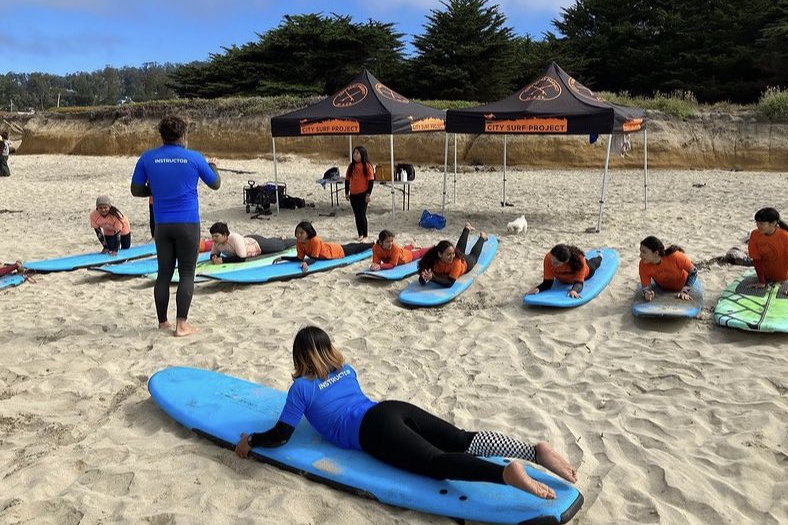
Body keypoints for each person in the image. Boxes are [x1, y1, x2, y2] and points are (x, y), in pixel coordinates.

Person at [234, 326, 577, 499]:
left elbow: (281, 435)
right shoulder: (346, 368)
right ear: (328, 348)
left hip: (372, 431)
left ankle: (505, 474)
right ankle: (533, 451)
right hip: (391, 408)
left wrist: (250, 441)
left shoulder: (301, 389)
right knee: (459, 437)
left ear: (299, 357)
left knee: (435, 462)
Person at [131, 115, 221, 337]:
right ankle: (182, 325)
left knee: (164, 273)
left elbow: (136, 190)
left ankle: (163, 322)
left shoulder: (148, 157)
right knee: (187, 272)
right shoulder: (194, 157)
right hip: (188, 223)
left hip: (162, 224)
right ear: (184, 135)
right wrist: (213, 166)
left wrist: (156, 190)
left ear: (162, 135)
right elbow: (215, 184)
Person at [748, 207, 788, 298]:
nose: (758, 225)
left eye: (761, 223)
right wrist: (761, 281)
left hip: (783, 277)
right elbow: (756, 259)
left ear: (773, 223)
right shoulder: (755, 235)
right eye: (756, 222)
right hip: (765, 275)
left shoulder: (787, 238)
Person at [418, 223, 488, 288]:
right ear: (440, 254)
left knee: (473, 256)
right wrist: (424, 277)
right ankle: (467, 228)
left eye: (452, 253)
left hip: (466, 264)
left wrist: (433, 278)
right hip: (456, 256)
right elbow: (422, 279)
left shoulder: (456, 261)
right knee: (459, 250)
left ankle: (482, 237)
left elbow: (449, 283)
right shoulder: (432, 260)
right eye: (449, 254)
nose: (452, 256)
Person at [289, 221, 372, 273]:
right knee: (352, 246)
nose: (298, 235)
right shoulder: (299, 242)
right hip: (329, 247)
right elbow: (299, 258)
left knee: (356, 248)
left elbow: (314, 258)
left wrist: (306, 263)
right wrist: (283, 258)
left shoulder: (315, 240)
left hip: (336, 251)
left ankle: (372, 245)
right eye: (297, 233)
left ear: (308, 233)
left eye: (301, 233)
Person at [526, 245, 602, 299]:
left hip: (587, 272)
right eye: (551, 260)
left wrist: (574, 290)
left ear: (566, 262)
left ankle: (600, 257)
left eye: (556, 263)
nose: (551, 263)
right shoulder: (549, 258)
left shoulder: (579, 260)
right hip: (564, 278)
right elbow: (547, 282)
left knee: (594, 263)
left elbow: (579, 283)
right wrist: (538, 288)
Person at [638, 236, 698, 301]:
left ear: (656, 253)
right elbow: (646, 288)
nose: (640, 255)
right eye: (641, 251)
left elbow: (694, 272)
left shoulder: (675, 256)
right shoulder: (643, 264)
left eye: (644, 252)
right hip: (662, 287)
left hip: (682, 284)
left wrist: (685, 291)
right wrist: (647, 294)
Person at [208, 222, 295, 264]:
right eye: (213, 236)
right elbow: (213, 253)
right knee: (271, 242)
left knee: (281, 246)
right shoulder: (217, 243)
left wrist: (223, 260)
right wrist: (214, 258)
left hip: (257, 244)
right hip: (247, 240)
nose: (214, 238)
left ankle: (297, 240)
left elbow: (242, 258)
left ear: (225, 235)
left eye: (216, 236)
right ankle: (278, 238)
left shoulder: (234, 238)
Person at [344, 146, 374, 242]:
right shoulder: (351, 166)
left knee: (362, 214)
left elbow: (371, 181)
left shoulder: (367, 166)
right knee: (356, 215)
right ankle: (360, 234)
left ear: (362, 154)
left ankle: (365, 235)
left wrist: (368, 194)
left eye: (357, 153)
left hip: (363, 194)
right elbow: (347, 179)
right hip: (353, 194)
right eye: (354, 153)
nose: (355, 155)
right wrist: (346, 192)